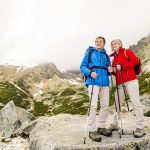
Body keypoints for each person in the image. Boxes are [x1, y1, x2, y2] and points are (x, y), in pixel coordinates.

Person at [108, 39, 145, 138]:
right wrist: (112, 70)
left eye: (115, 43)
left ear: (120, 44)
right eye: (112, 44)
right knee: (117, 104)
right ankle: (115, 124)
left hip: (131, 81)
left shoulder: (126, 52)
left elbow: (136, 61)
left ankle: (140, 127)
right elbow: (116, 72)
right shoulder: (114, 58)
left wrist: (123, 66)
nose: (113, 45)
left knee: (136, 103)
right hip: (120, 84)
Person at [80, 36, 112, 142]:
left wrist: (110, 70)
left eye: (100, 41)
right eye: (97, 41)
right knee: (93, 106)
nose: (98, 43)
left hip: (105, 83)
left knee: (105, 105)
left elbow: (109, 69)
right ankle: (92, 130)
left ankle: (101, 126)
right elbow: (82, 66)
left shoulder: (106, 55)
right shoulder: (90, 52)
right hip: (93, 81)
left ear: (104, 44)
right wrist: (89, 72)